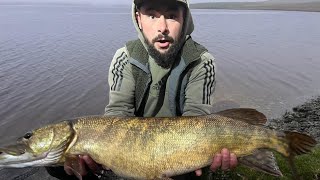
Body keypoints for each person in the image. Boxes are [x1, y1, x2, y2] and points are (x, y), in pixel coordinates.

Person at [47, 0, 237, 179]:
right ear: (138, 19)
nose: (162, 27)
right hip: (134, 150)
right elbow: (117, 116)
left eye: (171, 16)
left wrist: (204, 154)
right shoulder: (125, 58)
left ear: (184, 19)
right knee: (55, 165)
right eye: (152, 16)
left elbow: (198, 119)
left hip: (182, 153)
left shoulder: (201, 61)